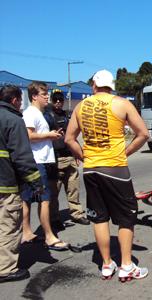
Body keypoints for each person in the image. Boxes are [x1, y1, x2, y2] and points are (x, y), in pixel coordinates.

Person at [65, 70, 150, 281]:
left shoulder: (80, 106)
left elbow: (69, 139)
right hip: (115, 168)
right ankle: (127, 265)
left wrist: (84, 156)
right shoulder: (122, 104)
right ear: (111, 86)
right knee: (126, 218)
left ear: (94, 85)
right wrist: (126, 152)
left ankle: (106, 264)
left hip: (92, 169)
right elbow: (143, 134)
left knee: (99, 218)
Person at [0, 86, 43, 282]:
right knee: (8, 224)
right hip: (6, 183)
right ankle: (6, 269)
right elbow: (22, 157)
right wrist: (36, 183)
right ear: (16, 100)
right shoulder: (14, 120)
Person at [21, 82, 69, 250]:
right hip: (37, 161)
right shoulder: (30, 113)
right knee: (44, 199)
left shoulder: (39, 113)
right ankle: (49, 236)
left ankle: (27, 233)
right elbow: (28, 135)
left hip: (43, 160)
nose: (47, 96)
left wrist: (51, 136)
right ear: (34, 96)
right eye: (44, 94)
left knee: (29, 198)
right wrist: (49, 135)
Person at [43, 90, 89, 227]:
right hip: (55, 159)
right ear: (52, 100)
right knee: (53, 193)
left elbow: (72, 137)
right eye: (55, 99)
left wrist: (77, 153)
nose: (58, 102)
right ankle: (54, 218)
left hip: (69, 157)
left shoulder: (67, 115)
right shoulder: (46, 116)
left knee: (73, 189)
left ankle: (77, 214)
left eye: (60, 100)